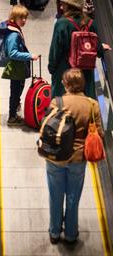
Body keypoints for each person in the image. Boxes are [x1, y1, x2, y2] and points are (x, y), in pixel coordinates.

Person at [45, 68, 103, 245]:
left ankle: (55, 233)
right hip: (78, 159)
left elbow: (47, 127)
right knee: (73, 197)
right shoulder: (92, 104)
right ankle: (70, 234)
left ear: (67, 84)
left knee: (55, 196)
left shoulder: (57, 102)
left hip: (56, 158)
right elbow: (99, 132)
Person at [48, 0, 111, 99]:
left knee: (61, 105)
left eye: (63, 5)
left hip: (64, 73)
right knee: (85, 105)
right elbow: (97, 48)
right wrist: (102, 48)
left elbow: (55, 52)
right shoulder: (90, 23)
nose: (61, 7)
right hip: (85, 76)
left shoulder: (62, 24)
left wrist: (52, 68)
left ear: (70, 6)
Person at [2, 4, 39, 126]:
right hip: (16, 69)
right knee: (15, 92)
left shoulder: (15, 29)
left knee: (17, 90)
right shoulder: (13, 34)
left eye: (25, 18)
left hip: (19, 68)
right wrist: (29, 56)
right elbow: (13, 53)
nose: (24, 21)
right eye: (21, 18)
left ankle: (14, 109)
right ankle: (12, 117)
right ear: (13, 18)